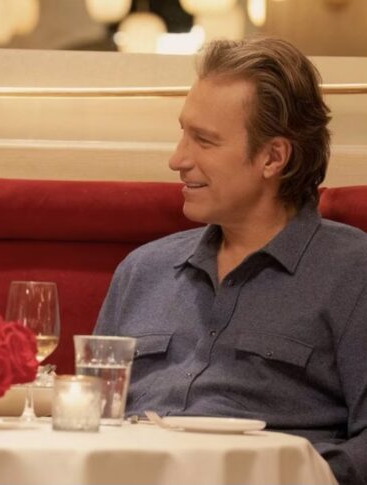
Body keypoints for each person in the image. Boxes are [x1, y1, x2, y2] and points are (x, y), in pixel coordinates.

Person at [94, 37, 367, 485]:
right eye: (183, 133)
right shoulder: (141, 271)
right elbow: (89, 418)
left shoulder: (354, 273)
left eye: (203, 141)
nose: (177, 159)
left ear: (273, 157)